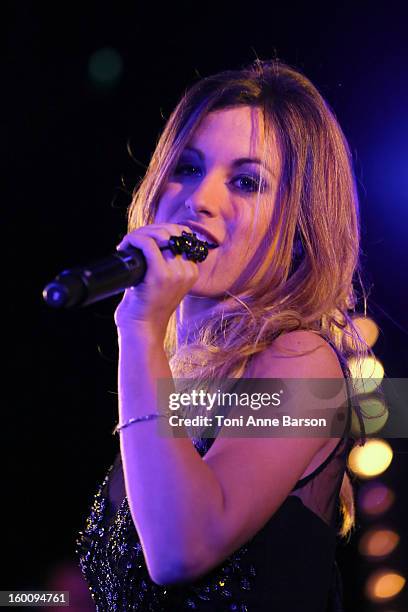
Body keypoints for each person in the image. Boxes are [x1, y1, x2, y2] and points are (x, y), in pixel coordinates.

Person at [76, 58, 369, 611]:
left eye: (245, 181)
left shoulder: (302, 360)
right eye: (185, 167)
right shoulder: (175, 389)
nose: (199, 199)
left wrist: (138, 327)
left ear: (301, 225)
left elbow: (182, 549)